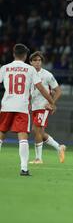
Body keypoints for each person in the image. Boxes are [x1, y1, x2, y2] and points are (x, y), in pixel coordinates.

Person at [0, 44, 55, 176]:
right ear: (25, 56)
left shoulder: (5, 68)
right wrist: (52, 102)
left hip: (7, 105)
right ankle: (24, 168)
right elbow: (41, 88)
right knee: (22, 137)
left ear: (13, 54)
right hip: (22, 107)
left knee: (1, 134)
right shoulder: (30, 70)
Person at [29, 51, 66, 164]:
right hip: (35, 107)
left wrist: (51, 103)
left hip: (43, 106)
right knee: (37, 131)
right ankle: (59, 147)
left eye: (39, 60)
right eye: (35, 60)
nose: (37, 62)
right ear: (30, 62)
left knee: (37, 131)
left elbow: (58, 91)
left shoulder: (47, 75)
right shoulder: (28, 74)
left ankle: (39, 158)